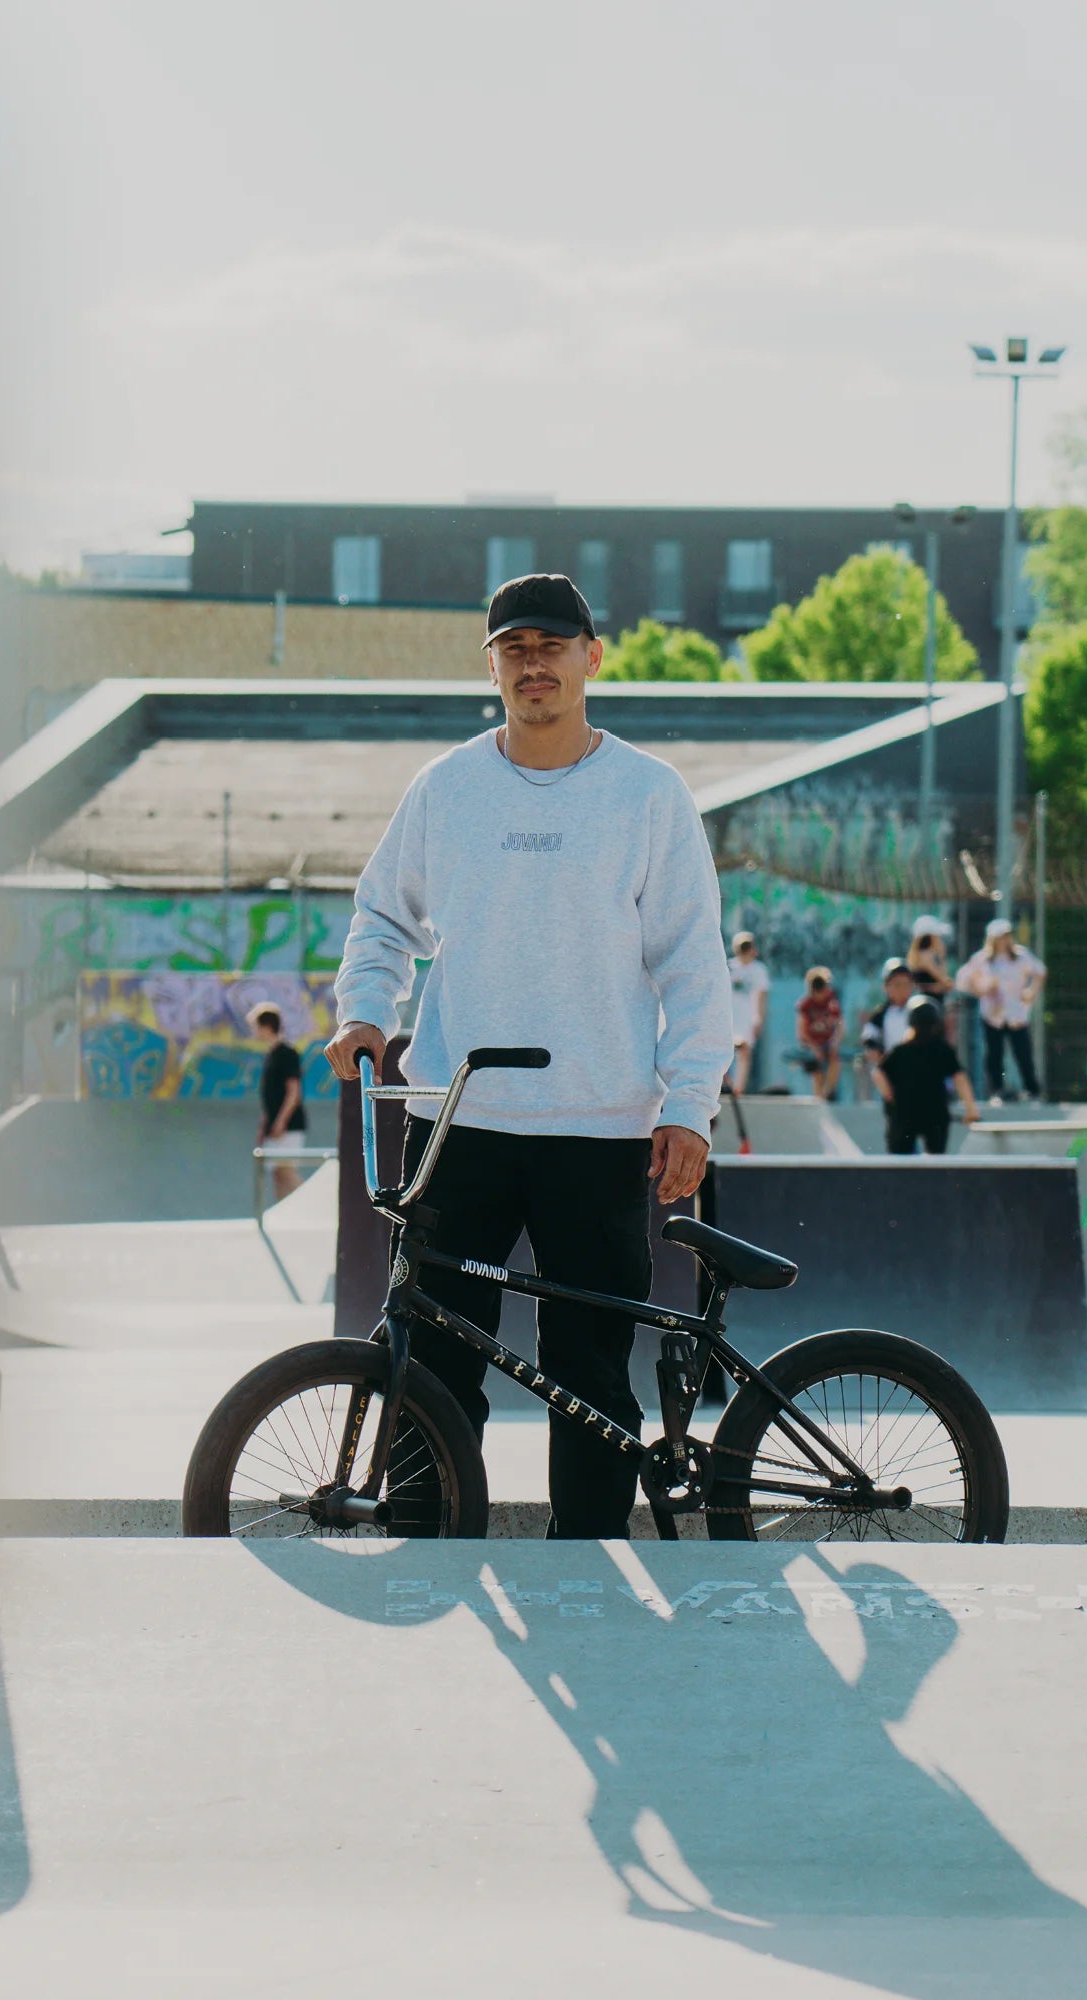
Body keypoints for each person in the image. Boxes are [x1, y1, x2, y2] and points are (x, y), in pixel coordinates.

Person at [326, 571, 731, 1541]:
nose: (533, 663)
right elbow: (381, 918)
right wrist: (364, 1012)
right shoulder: (446, 788)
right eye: (514, 648)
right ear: (493, 667)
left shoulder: (647, 794)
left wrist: (688, 1104)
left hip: (599, 1124)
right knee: (431, 1358)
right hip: (456, 1121)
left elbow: (691, 961)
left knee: (589, 1369)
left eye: (552, 645)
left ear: (592, 657)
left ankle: (585, 1563)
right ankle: (422, 1548)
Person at [875, 994, 979, 1154]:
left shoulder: (900, 1051)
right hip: (935, 1114)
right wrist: (971, 1110)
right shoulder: (942, 1050)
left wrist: (890, 1096)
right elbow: (960, 1078)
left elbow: (878, 1073)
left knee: (899, 1162)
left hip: (903, 1113)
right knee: (936, 1161)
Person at [958, 917, 1046, 1104]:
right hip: (992, 1014)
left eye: (1007, 935)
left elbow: (1040, 972)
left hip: (1016, 1013)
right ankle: (997, 1090)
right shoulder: (981, 959)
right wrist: (981, 989)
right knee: (994, 1054)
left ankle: (1032, 1090)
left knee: (1023, 1052)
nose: (1004, 940)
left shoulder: (1021, 956)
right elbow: (964, 980)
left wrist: (1031, 992)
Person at [249, 1002, 308, 1201]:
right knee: (277, 1173)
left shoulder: (287, 1053)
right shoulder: (271, 1055)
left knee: (285, 1170)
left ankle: (310, 1205)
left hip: (288, 1126)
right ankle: (284, 1213)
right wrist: (264, 1126)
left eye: (256, 1027)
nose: (254, 1032)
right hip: (274, 1126)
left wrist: (281, 1122)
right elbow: (270, 1096)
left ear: (267, 1027)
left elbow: (293, 1092)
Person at [858, 957, 916, 1096]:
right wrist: (876, 1050)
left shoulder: (917, 1011)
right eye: (896, 985)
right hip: (891, 1065)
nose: (901, 989)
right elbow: (869, 1035)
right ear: (886, 987)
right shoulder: (881, 1014)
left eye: (906, 984)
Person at [726, 931, 769, 1092]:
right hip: (729, 1014)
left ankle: (739, 1088)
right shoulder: (729, 967)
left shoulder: (758, 969)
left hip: (747, 1015)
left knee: (744, 1051)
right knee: (724, 1050)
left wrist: (759, 1017)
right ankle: (727, 1085)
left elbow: (761, 995)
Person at [793, 966, 843, 1101]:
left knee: (835, 1060)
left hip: (827, 1042)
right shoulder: (805, 1005)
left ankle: (828, 1092)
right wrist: (814, 1047)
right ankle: (819, 1098)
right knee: (817, 1071)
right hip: (810, 1043)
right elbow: (801, 1032)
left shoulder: (831, 1002)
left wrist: (835, 1042)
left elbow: (840, 1025)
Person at [905, 916, 954, 997]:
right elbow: (946, 983)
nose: (940, 940)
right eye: (938, 936)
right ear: (931, 938)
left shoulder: (921, 956)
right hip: (928, 1001)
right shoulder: (925, 957)